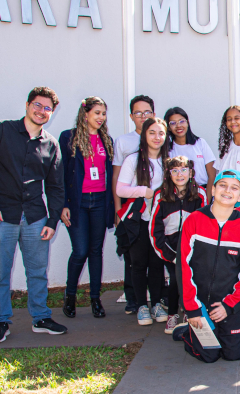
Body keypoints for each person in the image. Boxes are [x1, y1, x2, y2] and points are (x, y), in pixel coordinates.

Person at [0, 86, 68, 344]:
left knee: (37, 271)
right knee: (0, 273)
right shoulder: (0, 131)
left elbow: (56, 187)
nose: (42, 111)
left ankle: (40, 318)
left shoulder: (51, 144)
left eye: (47, 108)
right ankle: (1, 321)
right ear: (27, 105)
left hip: (36, 217)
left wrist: (52, 221)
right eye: (38, 105)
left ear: (52, 113)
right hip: (2, 216)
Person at [174, 170, 240, 362]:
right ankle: (188, 331)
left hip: (227, 303)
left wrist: (230, 306)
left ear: (239, 197)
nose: (227, 190)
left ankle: (218, 329)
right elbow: (183, 268)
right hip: (199, 303)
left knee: (233, 355)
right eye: (222, 185)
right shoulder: (194, 220)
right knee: (209, 356)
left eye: (234, 188)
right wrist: (193, 309)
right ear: (213, 189)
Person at [58, 96, 115, 319]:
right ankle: (70, 296)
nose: (100, 118)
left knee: (95, 251)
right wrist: (63, 204)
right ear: (85, 114)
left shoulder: (106, 139)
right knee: (80, 251)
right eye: (97, 113)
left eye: (103, 114)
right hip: (78, 203)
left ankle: (95, 299)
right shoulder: (69, 137)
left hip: (100, 201)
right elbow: (60, 173)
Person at [116, 118, 170, 326]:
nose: (157, 137)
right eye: (152, 133)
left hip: (159, 221)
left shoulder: (168, 161)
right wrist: (145, 191)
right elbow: (121, 189)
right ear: (144, 135)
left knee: (157, 264)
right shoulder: (133, 160)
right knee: (138, 264)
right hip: (138, 220)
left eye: (161, 133)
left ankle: (156, 303)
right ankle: (141, 305)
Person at [149, 157, 207, 334]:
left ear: (191, 173)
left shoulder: (200, 194)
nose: (179, 174)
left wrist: (196, 252)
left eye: (183, 170)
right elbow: (154, 229)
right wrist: (169, 255)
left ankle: (189, 313)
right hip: (170, 248)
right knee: (175, 279)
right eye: (174, 170)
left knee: (193, 279)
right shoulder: (161, 195)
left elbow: (204, 225)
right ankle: (172, 314)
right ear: (169, 174)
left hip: (192, 247)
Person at [113, 94, 156, 315]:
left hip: (156, 213)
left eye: (147, 112)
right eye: (138, 113)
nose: (142, 116)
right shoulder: (124, 142)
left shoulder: (161, 140)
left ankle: (157, 301)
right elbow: (118, 178)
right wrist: (117, 209)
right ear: (131, 116)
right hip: (133, 210)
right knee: (134, 258)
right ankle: (134, 301)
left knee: (155, 259)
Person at [164, 107, 218, 194]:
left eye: (182, 121)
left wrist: (207, 200)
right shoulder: (168, 149)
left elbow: (212, 175)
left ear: (187, 122)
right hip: (179, 194)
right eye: (173, 123)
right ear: (169, 127)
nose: (178, 126)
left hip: (202, 191)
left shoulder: (200, 143)